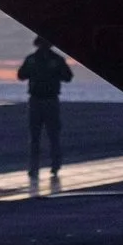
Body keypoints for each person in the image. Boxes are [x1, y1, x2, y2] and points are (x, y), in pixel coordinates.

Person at [17, 34, 74, 178]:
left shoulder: (51, 60)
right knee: (40, 136)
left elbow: (67, 77)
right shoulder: (36, 60)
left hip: (47, 100)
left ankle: (50, 165)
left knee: (49, 135)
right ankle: (40, 166)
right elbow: (21, 75)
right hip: (39, 100)